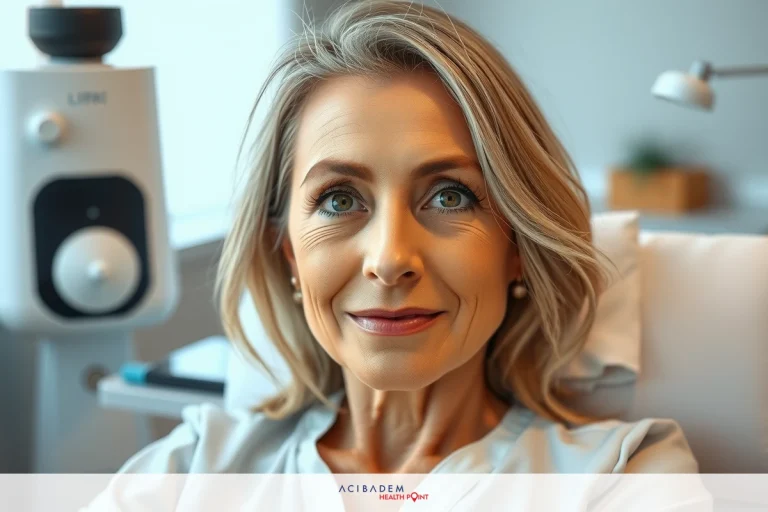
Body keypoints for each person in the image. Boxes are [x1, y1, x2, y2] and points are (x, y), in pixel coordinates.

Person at [116, 0, 699, 477]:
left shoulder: (623, 477)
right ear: (289, 252)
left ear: (517, 248)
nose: (390, 260)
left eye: (451, 195)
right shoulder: (190, 470)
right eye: (339, 199)